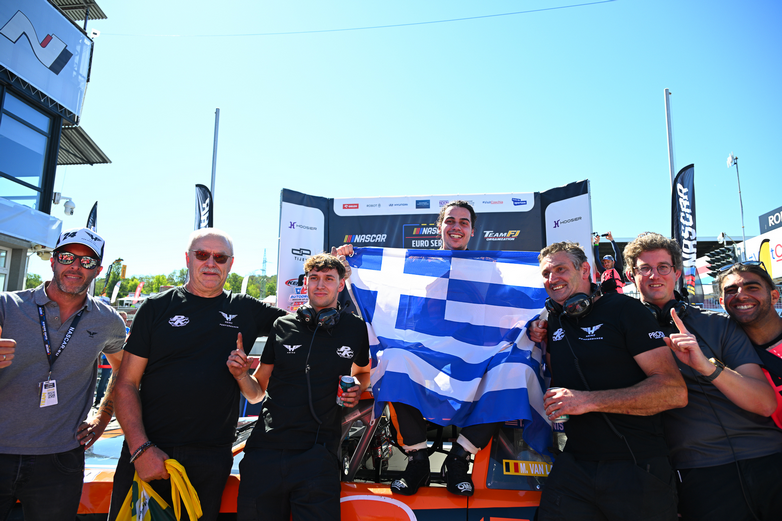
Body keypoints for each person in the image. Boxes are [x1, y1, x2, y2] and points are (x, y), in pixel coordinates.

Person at [108, 229, 288, 521]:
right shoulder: (156, 308)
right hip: (150, 450)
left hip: (210, 458)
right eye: (202, 255)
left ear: (231, 263)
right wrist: (140, 448)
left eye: (220, 257)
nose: (211, 263)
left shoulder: (245, 309)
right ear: (188, 259)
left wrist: (337, 273)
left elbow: (305, 324)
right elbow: (126, 383)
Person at [336, 200, 501, 497]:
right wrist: (350, 267)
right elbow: (382, 301)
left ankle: (459, 459)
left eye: (463, 222)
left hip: (473, 354)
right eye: (450, 221)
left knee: (510, 371)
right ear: (439, 228)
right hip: (429, 352)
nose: (456, 227)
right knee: (393, 359)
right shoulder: (416, 264)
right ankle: (418, 460)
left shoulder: (491, 269)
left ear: (472, 231)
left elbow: (507, 314)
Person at [624, 233, 782, 520]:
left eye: (663, 267)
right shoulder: (621, 331)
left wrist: (707, 367)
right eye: (644, 268)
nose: (654, 275)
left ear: (676, 273)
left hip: (769, 457)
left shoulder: (718, 324)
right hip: (699, 472)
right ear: (630, 275)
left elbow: (765, 403)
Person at [535, 241, 686, 521]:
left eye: (560, 269)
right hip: (575, 464)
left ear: (585, 270)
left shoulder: (625, 310)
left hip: (636, 466)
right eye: (546, 273)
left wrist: (587, 401)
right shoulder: (555, 319)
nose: (552, 278)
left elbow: (673, 391)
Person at [0, 227, 126, 520]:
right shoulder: (7, 306)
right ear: (53, 261)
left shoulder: (108, 321)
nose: (75, 266)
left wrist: (103, 417)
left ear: (98, 270)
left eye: (87, 261)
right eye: (68, 257)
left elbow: (123, 368)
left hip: (60, 458)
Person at [234, 253, 371, 521]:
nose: (320, 284)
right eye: (314, 278)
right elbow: (257, 392)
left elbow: (364, 372)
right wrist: (241, 375)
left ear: (340, 285)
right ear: (305, 283)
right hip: (266, 451)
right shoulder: (281, 326)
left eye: (329, 278)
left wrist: (357, 384)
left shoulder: (355, 328)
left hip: (318, 454)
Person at [719, 261, 782, 428]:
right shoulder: (727, 355)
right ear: (722, 303)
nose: (741, 296)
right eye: (731, 291)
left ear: (774, 296)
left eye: (752, 288)